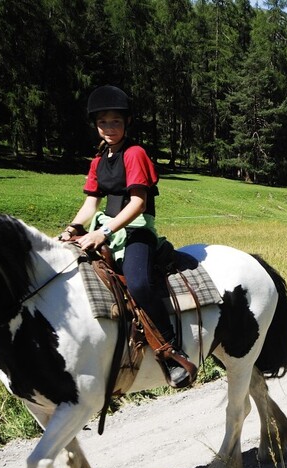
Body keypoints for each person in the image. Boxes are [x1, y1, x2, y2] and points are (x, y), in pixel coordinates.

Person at [59, 85, 194, 388]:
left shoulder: (135, 154)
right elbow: (90, 204)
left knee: (138, 282)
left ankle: (171, 349)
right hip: (104, 229)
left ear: (126, 123)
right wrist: (70, 230)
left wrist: (102, 232)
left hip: (136, 230)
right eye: (103, 122)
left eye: (116, 121)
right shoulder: (97, 161)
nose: (110, 128)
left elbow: (138, 203)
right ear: (96, 125)